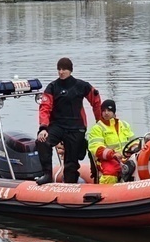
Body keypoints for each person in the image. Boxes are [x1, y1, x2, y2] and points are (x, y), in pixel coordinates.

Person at [36, 57, 103, 185]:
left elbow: (96, 101)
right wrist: (43, 128)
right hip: (58, 126)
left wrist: (99, 122)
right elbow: (44, 108)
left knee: (71, 163)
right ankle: (47, 174)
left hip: (76, 127)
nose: (61, 72)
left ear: (70, 70)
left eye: (64, 69)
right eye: (59, 69)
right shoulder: (52, 87)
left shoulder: (81, 86)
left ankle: (71, 183)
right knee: (42, 142)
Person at [86, 99, 135, 184]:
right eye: (104, 110)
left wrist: (134, 149)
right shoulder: (97, 128)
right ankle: (107, 194)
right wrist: (112, 154)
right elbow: (96, 148)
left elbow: (133, 141)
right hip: (107, 159)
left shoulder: (124, 125)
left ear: (114, 112)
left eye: (109, 110)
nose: (106, 113)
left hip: (126, 157)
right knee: (110, 174)